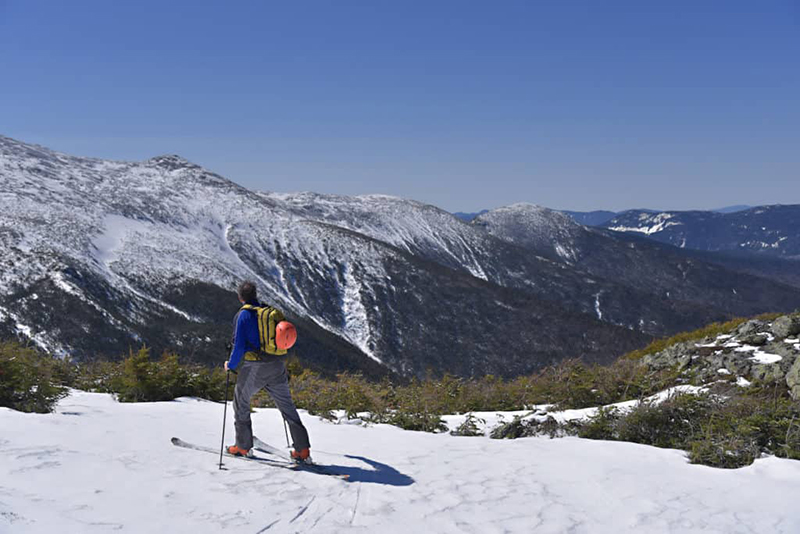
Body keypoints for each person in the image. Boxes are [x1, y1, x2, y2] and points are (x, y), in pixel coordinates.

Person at [224, 280, 311, 463]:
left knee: (240, 403)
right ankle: (302, 450)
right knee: (287, 407)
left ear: (240, 297)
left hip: (255, 367)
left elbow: (239, 346)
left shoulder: (244, 316)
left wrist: (230, 366)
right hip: (277, 365)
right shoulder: (268, 312)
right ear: (255, 295)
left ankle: (242, 446)